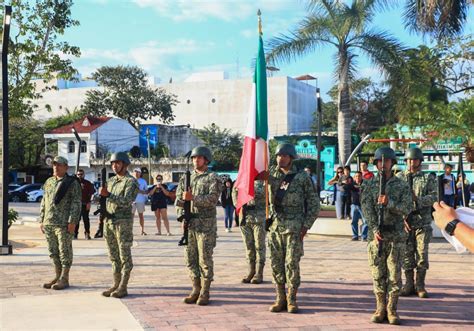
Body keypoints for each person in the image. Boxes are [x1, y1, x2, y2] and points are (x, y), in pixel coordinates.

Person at [360, 147, 412, 325]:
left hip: (396, 235)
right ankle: (380, 307)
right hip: (377, 236)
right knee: (377, 273)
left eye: (387, 161)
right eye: (380, 161)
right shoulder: (368, 184)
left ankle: (392, 309)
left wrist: (390, 203)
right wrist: (374, 229)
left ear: (392, 163)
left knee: (394, 274)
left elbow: (407, 208)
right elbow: (366, 209)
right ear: (375, 164)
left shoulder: (401, 185)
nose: (384, 164)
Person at [266, 143, 320, 313]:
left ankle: (292, 299)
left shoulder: (301, 177)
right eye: (278, 156)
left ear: (291, 158)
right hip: (275, 226)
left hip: (294, 226)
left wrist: (306, 226)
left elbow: (313, 203)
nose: (280, 158)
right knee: (276, 263)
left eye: (284, 155)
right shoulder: (270, 175)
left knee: (291, 263)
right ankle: (280, 297)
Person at [175, 146, 221, 306]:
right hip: (190, 224)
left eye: (199, 158)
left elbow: (213, 199)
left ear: (206, 160)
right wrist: (182, 215)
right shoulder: (186, 178)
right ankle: (195, 288)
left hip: (205, 225)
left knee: (205, 259)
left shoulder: (213, 178)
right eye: (194, 158)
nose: (196, 160)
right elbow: (177, 200)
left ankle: (205, 291)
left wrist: (193, 198)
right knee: (190, 258)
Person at [397, 148, 437, 299]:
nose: (411, 162)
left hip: (422, 223)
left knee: (421, 255)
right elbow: (393, 201)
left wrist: (417, 200)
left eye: (414, 160)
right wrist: (402, 217)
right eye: (408, 160)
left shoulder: (427, 179)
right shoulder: (399, 178)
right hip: (405, 224)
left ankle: (420, 285)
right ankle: (408, 284)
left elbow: (434, 197)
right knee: (407, 256)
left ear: (420, 161)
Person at [100, 152, 138, 298]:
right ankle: (116, 283)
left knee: (124, 254)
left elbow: (126, 201)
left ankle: (123, 285)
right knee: (113, 254)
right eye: (112, 163)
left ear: (125, 164)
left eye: (117, 163)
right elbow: (106, 200)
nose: (114, 166)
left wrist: (108, 195)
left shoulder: (130, 182)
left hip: (123, 223)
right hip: (109, 221)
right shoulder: (111, 181)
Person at [39, 156, 81, 290]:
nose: (56, 167)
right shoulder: (49, 181)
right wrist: (42, 220)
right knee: (53, 251)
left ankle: (65, 278)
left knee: (65, 251)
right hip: (49, 222)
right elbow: (44, 201)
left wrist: (72, 221)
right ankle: (57, 276)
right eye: (54, 165)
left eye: (59, 165)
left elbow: (76, 203)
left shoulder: (72, 183)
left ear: (66, 167)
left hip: (63, 223)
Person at [232, 179, 266, 284]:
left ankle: (259, 273)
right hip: (244, 217)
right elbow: (234, 194)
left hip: (258, 217)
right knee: (248, 246)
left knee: (259, 246)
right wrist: (238, 205)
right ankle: (251, 271)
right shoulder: (242, 178)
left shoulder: (263, 181)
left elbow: (265, 194)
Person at [74, 169, 96, 240]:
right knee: (76, 220)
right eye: (78, 174)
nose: (80, 175)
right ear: (76, 175)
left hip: (85, 204)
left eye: (81, 174)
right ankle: (75, 234)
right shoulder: (74, 183)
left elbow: (92, 193)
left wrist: (89, 202)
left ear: (84, 175)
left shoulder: (88, 183)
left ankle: (87, 234)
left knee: (86, 220)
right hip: (76, 205)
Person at [346, 171, 367, 241]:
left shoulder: (365, 184)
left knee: (366, 221)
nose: (358, 177)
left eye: (359, 176)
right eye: (356, 176)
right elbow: (346, 188)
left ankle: (364, 236)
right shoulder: (351, 185)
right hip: (354, 206)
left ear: (362, 177)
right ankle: (355, 236)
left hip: (363, 206)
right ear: (354, 177)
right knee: (354, 221)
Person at [132, 168, 148, 235]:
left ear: (140, 173)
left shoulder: (143, 181)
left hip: (140, 201)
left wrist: (140, 191)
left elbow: (146, 191)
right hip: (131, 201)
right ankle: (130, 231)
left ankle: (142, 230)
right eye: (135, 172)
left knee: (141, 216)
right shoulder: (130, 180)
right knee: (131, 216)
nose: (136, 173)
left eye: (138, 172)